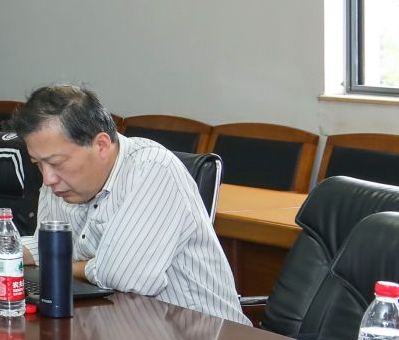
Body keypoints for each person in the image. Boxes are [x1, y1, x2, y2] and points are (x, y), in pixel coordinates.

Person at [12, 85, 243, 322]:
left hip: (203, 333)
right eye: (38, 164)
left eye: (56, 163)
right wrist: (11, 253)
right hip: (122, 323)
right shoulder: (60, 184)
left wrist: (60, 266)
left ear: (101, 145)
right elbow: (51, 245)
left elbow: (125, 277)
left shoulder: (152, 168)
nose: (48, 179)